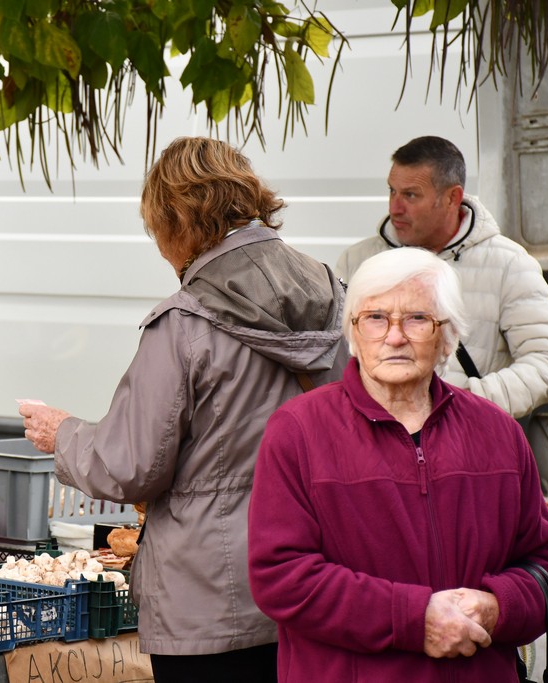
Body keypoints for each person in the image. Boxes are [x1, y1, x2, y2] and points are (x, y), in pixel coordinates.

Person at [20, 137, 349, 682]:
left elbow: (130, 464)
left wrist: (64, 434)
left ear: (178, 220)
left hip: (210, 596)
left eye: (156, 232)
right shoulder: (329, 294)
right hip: (312, 577)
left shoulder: (183, 323)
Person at [248, 246, 548, 682]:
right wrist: (415, 618)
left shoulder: (498, 433)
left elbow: (546, 560)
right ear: (354, 332)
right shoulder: (298, 432)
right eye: (375, 318)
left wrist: (499, 606)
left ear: (447, 336)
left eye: (417, 318)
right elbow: (281, 577)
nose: (395, 336)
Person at [335, 135, 548, 419]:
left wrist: (466, 407)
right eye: (392, 191)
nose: (395, 207)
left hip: (472, 447)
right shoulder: (357, 262)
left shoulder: (509, 264)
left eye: (410, 195)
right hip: (377, 443)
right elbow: (336, 357)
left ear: (452, 197)